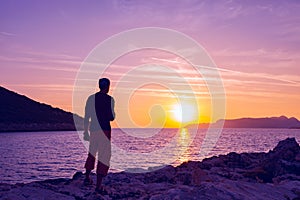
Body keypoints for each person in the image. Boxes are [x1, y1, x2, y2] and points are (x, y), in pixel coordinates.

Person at [83, 78, 115, 193]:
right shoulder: (109, 99)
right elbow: (112, 117)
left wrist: (85, 132)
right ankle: (98, 185)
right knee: (104, 156)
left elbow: (87, 116)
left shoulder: (91, 98)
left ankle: (87, 178)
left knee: (92, 153)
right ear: (108, 87)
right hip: (105, 130)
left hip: (94, 129)